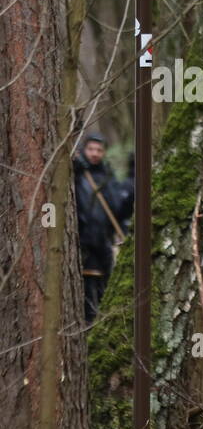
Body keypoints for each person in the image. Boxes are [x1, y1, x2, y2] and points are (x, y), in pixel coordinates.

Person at [73, 133, 127, 322]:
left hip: (104, 240)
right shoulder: (77, 174)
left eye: (99, 150)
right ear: (83, 150)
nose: (95, 154)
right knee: (86, 288)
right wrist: (75, 170)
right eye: (91, 149)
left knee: (105, 287)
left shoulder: (107, 175)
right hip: (83, 240)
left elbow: (117, 208)